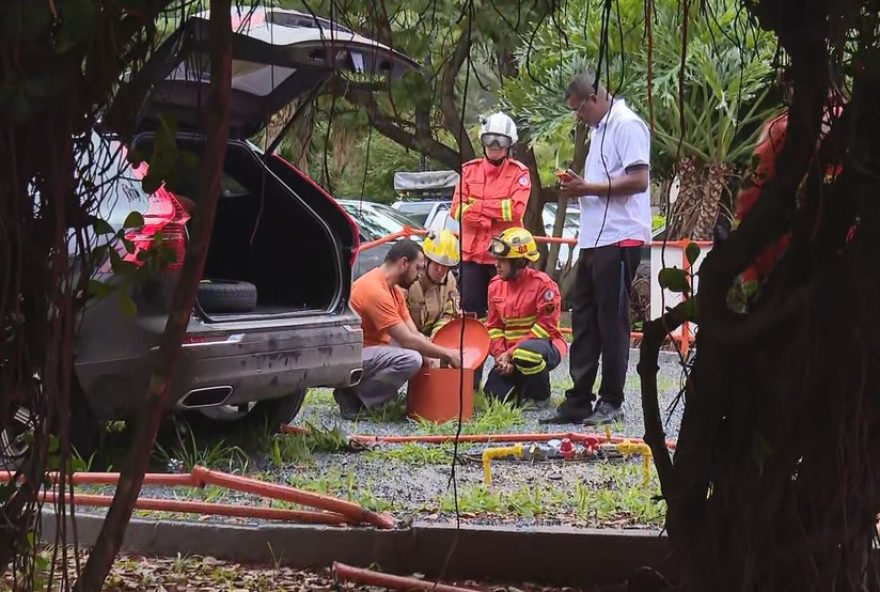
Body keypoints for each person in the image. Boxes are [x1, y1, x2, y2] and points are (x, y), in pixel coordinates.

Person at [542, 69, 652, 426]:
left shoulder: (626, 124)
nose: (579, 117)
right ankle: (578, 399)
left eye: (579, 110)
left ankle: (612, 400)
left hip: (620, 237)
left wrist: (588, 188)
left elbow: (638, 178)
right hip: (593, 239)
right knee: (585, 319)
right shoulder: (599, 130)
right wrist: (579, 187)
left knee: (612, 321)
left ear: (594, 98)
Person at [333, 240, 463, 419]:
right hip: (349, 356)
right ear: (403, 263)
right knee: (411, 359)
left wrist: (432, 357)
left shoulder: (394, 291)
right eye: (418, 268)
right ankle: (353, 396)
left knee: (419, 353)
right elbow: (407, 340)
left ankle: (367, 395)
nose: (419, 275)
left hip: (368, 351)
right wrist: (447, 354)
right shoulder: (374, 289)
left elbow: (413, 334)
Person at [451, 111, 532, 386]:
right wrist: (492, 212)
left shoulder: (519, 174)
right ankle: (470, 382)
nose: (494, 146)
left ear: (509, 144)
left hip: (506, 257)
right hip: (472, 258)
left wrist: (479, 208)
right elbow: (457, 210)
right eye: (489, 140)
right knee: (471, 320)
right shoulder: (468, 171)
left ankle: (509, 382)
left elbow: (516, 209)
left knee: (509, 317)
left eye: (499, 141)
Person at [484, 227, 567, 406]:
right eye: (497, 260)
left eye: (502, 261)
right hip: (508, 353)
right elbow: (494, 327)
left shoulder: (543, 285)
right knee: (493, 398)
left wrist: (510, 354)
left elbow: (545, 329)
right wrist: (501, 357)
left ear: (520, 262)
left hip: (545, 345)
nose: (496, 265)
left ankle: (539, 396)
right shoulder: (494, 286)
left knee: (526, 354)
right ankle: (521, 388)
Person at [405, 229, 460, 338]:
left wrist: (438, 332)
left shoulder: (449, 281)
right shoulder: (408, 279)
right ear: (426, 260)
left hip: (434, 340)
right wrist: (421, 340)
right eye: (436, 264)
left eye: (444, 266)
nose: (440, 270)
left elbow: (449, 313)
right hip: (408, 339)